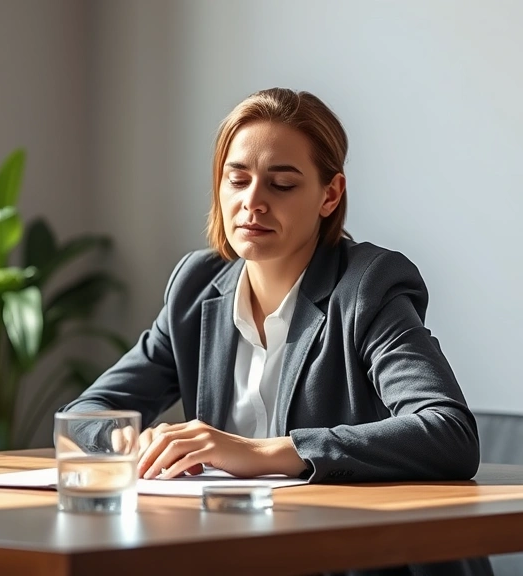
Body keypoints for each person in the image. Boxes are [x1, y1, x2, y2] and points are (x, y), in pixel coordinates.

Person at [62, 88, 493, 576]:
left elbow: (448, 433)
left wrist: (262, 453)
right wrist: (132, 444)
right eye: (237, 180)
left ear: (329, 195)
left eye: (282, 185)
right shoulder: (196, 287)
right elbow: (84, 417)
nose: (253, 203)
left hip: (357, 560)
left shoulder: (367, 287)